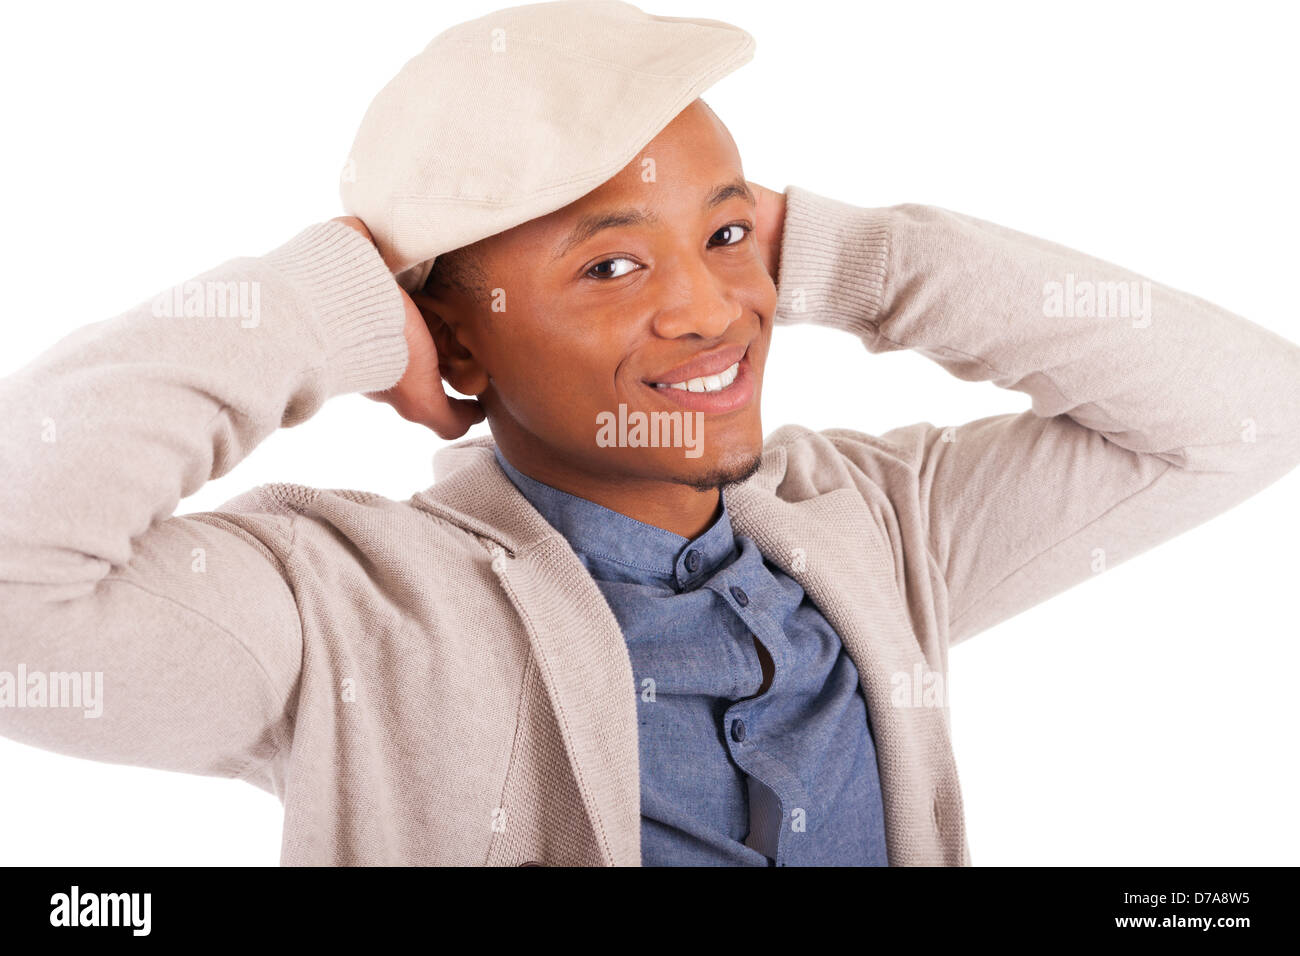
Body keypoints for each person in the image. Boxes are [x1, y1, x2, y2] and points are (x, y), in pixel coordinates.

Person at [3, 30, 1299, 868]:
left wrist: (866, 261)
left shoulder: (880, 526)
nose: (708, 308)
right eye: (614, 262)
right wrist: (324, 299)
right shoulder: (344, 614)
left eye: (730, 238)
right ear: (459, 345)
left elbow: (1246, 411)